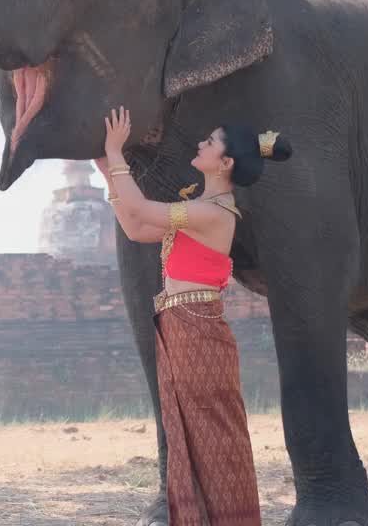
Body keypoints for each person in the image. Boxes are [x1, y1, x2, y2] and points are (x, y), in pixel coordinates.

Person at [96, 106, 292, 526]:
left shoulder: (215, 212)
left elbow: (144, 210)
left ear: (226, 162)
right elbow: (136, 229)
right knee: (189, 434)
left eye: (211, 141)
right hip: (178, 327)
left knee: (214, 436)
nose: (201, 143)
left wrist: (116, 154)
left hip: (196, 328)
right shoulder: (199, 206)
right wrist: (106, 170)